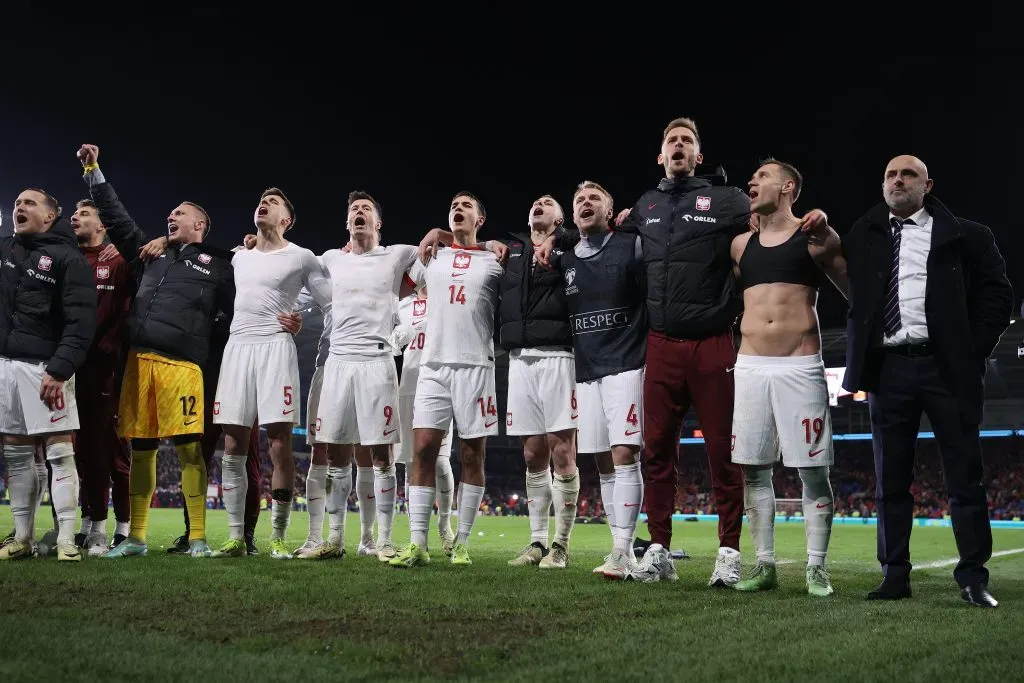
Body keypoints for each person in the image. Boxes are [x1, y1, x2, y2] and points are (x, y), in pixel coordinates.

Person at [541, 117, 752, 585]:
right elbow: (595, 239)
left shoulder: (728, 199)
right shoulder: (647, 205)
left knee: (722, 450)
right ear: (661, 156)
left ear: (699, 155)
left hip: (713, 341)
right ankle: (657, 548)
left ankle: (729, 551)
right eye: (671, 141)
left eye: (687, 141)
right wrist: (554, 238)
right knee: (656, 451)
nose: (678, 146)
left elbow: (763, 228)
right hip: (661, 344)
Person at [837, 155, 1013, 607]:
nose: (897, 180)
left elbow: (998, 294)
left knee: (964, 477)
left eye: (908, 174)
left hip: (947, 367)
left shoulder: (969, 235)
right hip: (888, 369)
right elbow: (847, 286)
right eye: (890, 174)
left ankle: (973, 577)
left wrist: (970, 347)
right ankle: (894, 574)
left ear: (927, 184)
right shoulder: (864, 232)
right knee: (889, 479)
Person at [78, 143, 235, 559]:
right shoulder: (150, 254)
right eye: (170, 214)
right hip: (138, 362)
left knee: (188, 449)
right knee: (142, 447)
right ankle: (136, 538)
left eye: (180, 213)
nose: (171, 216)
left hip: (184, 365)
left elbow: (238, 309)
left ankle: (198, 537)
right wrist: (94, 171)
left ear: (200, 224)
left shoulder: (221, 265)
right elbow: (116, 218)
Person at [420, 194, 578, 568]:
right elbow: (469, 244)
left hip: (558, 355)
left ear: (559, 219)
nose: (539, 203)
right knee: (532, 454)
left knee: (563, 452)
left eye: (548, 202)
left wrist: (560, 239)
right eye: (535, 201)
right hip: (520, 358)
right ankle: (538, 542)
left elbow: (586, 237)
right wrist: (439, 231)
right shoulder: (510, 252)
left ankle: (561, 544)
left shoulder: (569, 248)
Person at [727, 159, 848, 597]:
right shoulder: (741, 245)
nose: (752, 182)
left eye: (762, 176)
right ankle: (764, 565)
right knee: (754, 471)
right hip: (751, 366)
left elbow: (854, 292)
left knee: (813, 471)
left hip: (800, 367)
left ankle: (817, 568)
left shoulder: (815, 238)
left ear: (788, 187)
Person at [546, 181, 659, 581]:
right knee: (600, 462)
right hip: (587, 370)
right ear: (573, 215)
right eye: (579, 200)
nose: (586, 203)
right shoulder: (566, 259)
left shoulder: (632, 245)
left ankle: (622, 549)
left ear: (611, 212)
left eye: (595, 199)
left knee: (624, 454)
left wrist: (641, 219)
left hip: (628, 364)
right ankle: (620, 548)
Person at [211, 187, 329, 559]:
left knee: (279, 441)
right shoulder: (238, 257)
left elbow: (330, 300)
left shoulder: (302, 257)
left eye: (273, 202)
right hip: (237, 346)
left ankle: (278, 536)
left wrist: (300, 317)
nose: (263, 203)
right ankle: (235, 538)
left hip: (275, 347)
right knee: (232, 443)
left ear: (286, 220)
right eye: (261, 200)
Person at [390, 192, 505, 568]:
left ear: (481, 219)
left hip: (476, 365)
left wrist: (487, 243)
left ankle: (462, 542)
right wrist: (434, 232)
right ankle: (418, 544)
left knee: (473, 454)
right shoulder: (431, 256)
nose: (458, 209)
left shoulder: (495, 259)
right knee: (422, 452)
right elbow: (385, 267)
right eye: (453, 206)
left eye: (467, 206)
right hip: (433, 367)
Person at [314, 191, 423, 562]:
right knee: (336, 452)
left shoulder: (397, 255)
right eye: (353, 211)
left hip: (377, 362)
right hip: (338, 362)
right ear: (347, 224)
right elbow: (292, 273)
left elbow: (431, 266)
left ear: (378, 223)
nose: (358, 213)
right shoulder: (330, 259)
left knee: (381, 455)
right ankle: (335, 540)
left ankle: (385, 540)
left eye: (366, 210)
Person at [0, 188, 97, 562]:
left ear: (49, 216)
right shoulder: (6, 250)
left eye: (28, 203)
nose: (18, 207)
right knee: (18, 457)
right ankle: (22, 538)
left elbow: (81, 320)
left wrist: (59, 370)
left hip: (44, 369)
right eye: (16, 203)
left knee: (59, 454)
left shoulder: (67, 258)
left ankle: (67, 541)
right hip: (6, 365)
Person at [69, 199, 134, 555]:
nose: (75, 218)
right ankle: (87, 523)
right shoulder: (69, 259)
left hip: (107, 369)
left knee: (111, 452)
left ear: (103, 226)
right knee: (75, 451)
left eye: (85, 214)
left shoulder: (119, 261)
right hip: (69, 367)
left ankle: (120, 528)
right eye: (74, 213)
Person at [392, 287, 457, 555]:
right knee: (411, 463)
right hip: (408, 386)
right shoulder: (401, 305)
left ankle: (444, 525)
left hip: (440, 384)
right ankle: (416, 535)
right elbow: (389, 344)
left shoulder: (448, 299)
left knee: (440, 461)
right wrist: (396, 339)